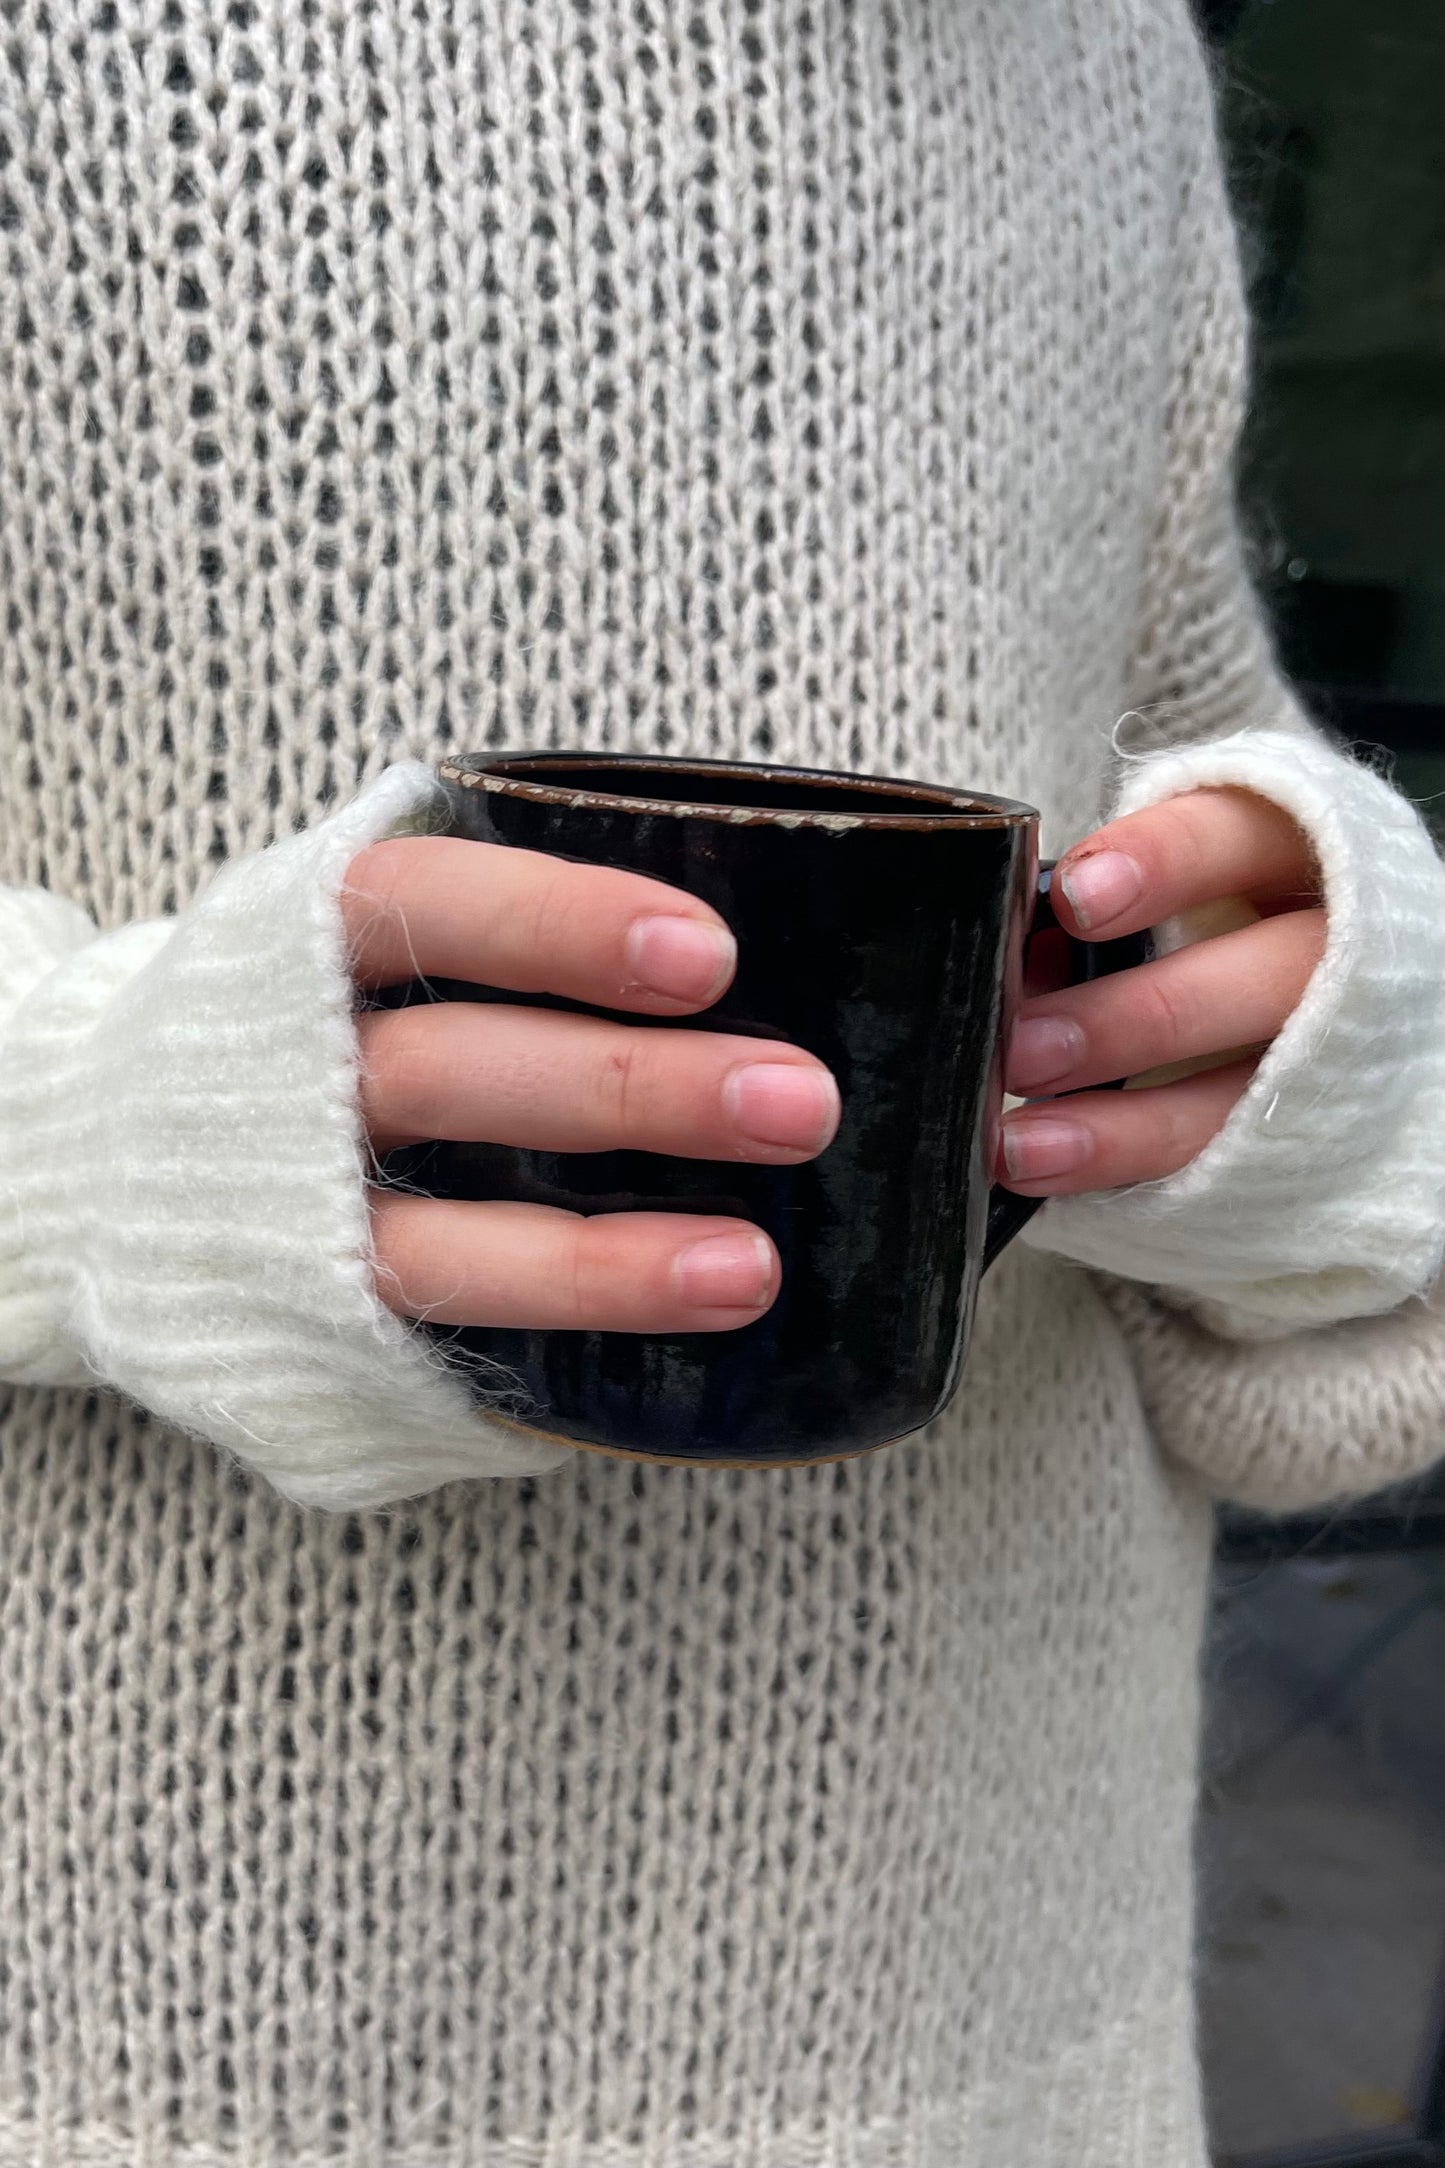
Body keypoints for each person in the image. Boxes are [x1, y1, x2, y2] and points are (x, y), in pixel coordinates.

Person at [0, 0, 1441, 2160]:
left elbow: (1183, 777)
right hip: (146, 2051)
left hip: (988, 2017)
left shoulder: (1087, 51)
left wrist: (1310, 1049)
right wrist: (109, 1126)